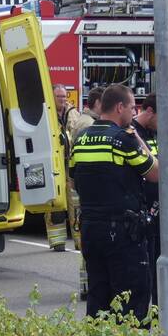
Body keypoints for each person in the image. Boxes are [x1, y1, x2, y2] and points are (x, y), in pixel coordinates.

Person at [70, 84, 159, 321]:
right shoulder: (123, 140)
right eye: (132, 107)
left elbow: (73, 181)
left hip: (91, 229)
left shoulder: (81, 139)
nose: (134, 112)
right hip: (123, 232)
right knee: (133, 299)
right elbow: (155, 174)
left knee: (99, 297)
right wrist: (140, 139)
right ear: (119, 107)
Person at [131, 92, 164, 305]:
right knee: (145, 270)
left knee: (158, 266)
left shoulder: (154, 132)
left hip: (159, 212)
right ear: (150, 111)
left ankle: (159, 311)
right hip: (141, 213)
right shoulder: (132, 133)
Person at [71, 86, 104, 298]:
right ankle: (87, 286)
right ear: (98, 104)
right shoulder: (89, 124)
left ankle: (86, 285)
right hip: (86, 191)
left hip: (80, 187)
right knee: (88, 242)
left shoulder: (83, 121)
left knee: (86, 240)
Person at [45, 84, 81, 251]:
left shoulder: (73, 113)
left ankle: (80, 240)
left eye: (65, 96)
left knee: (76, 202)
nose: (63, 100)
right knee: (55, 203)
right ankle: (57, 241)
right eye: (59, 97)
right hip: (55, 165)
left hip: (71, 164)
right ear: (52, 97)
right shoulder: (46, 113)